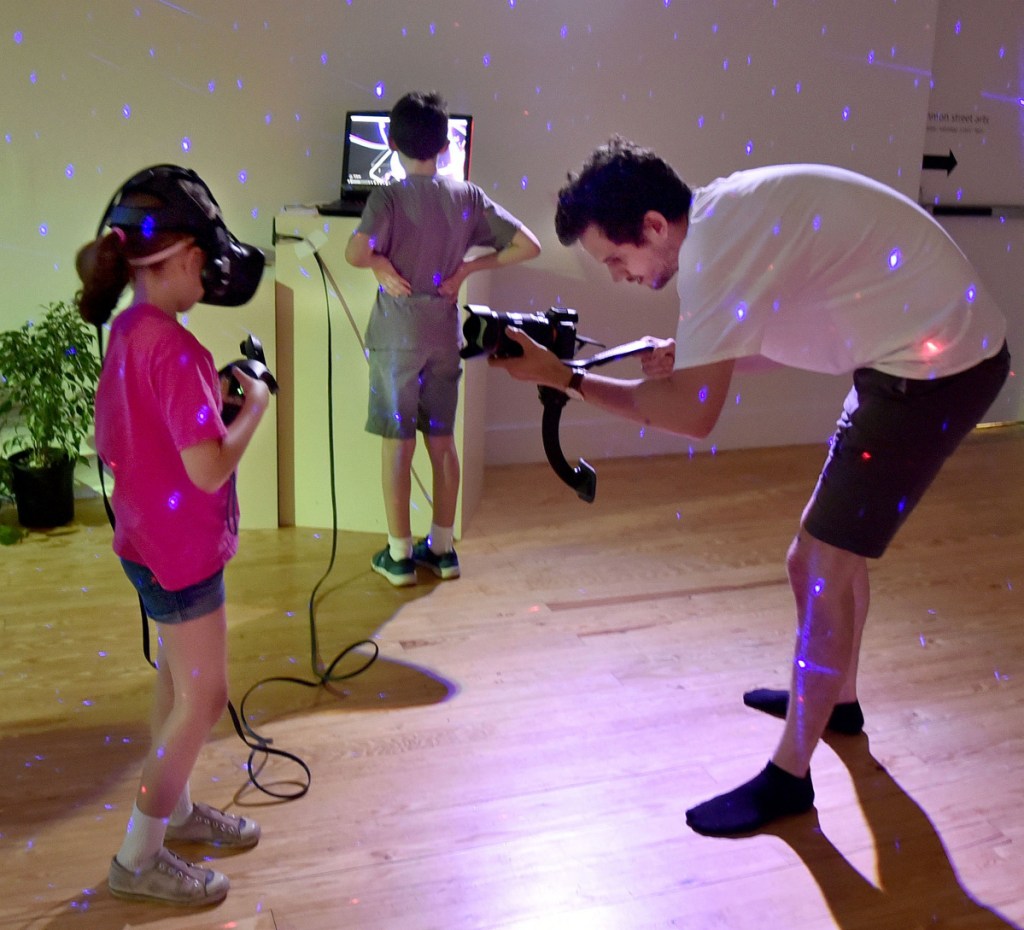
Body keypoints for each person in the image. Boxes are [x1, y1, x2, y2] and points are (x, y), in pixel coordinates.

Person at [491, 137, 1010, 837]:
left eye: (616, 258)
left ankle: (790, 778)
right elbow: (771, 335)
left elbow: (690, 416)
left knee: (826, 564)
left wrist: (567, 380)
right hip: (908, 354)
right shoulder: (723, 218)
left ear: (651, 226)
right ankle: (839, 705)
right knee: (813, 558)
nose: (616, 275)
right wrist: (701, 355)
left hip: (936, 371)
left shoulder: (711, 252)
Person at [76, 165, 271, 904]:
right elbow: (210, 468)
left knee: (175, 680)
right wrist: (252, 404)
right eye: (206, 263)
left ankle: (178, 809)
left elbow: (151, 436)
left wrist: (209, 404)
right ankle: (139, 854)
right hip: (184, 556)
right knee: (205, 695)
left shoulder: (129, 333)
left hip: (145, 546)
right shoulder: (179, 350)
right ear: (185, 258)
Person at [345, 90, 541, 587]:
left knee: (397, 444)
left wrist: (380, 262)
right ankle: (444, 548)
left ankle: (399, 555)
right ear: (445, 144)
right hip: (444, 333)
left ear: (391, 142)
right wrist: (471, 265)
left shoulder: (386, 196)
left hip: (396, 337)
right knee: (441, 440)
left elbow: (353, 252)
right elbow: (528, 245)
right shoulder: (467, 196)